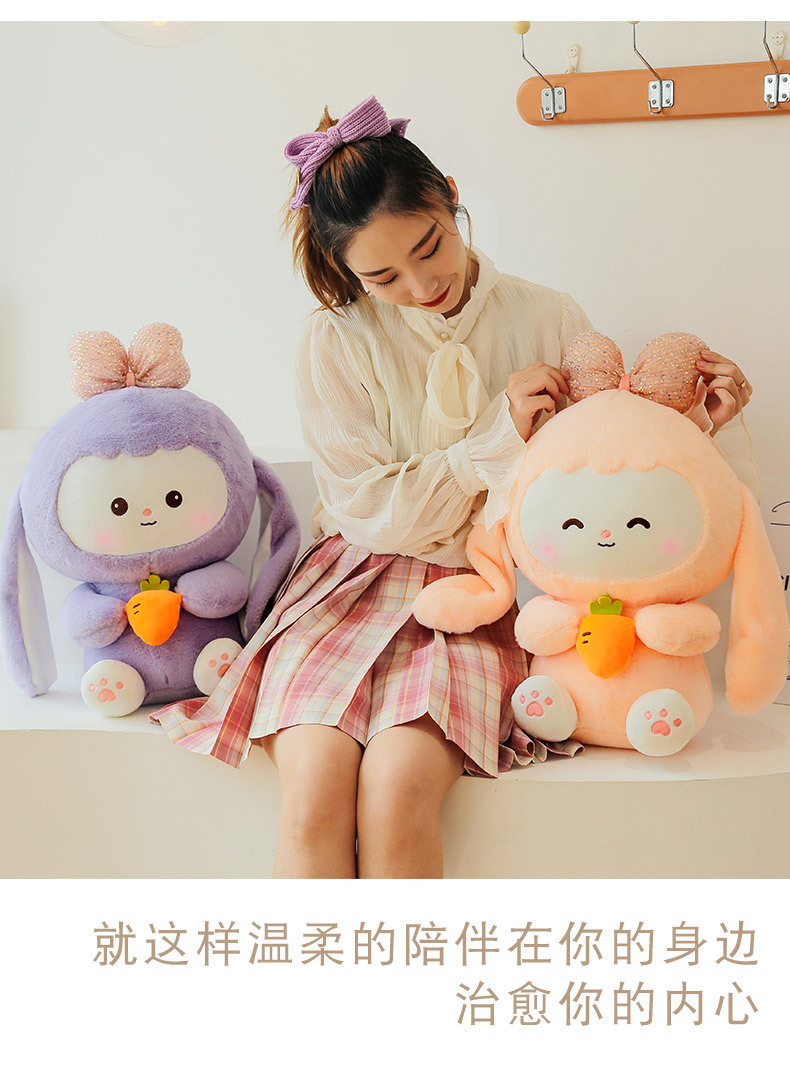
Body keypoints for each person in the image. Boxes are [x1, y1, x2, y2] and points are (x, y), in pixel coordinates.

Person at [153, 95, 755, 879]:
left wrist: (698, 426)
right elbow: (366, 509)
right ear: (347, 271)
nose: (419, 283)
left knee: (398, 789)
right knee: (313, 792)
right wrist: (490, 446)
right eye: (381, 276)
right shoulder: (334, 340)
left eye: (430, 246)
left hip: (479, 592)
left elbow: (599, 473)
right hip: (341, 588)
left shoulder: (548, 316)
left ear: (450, 195)